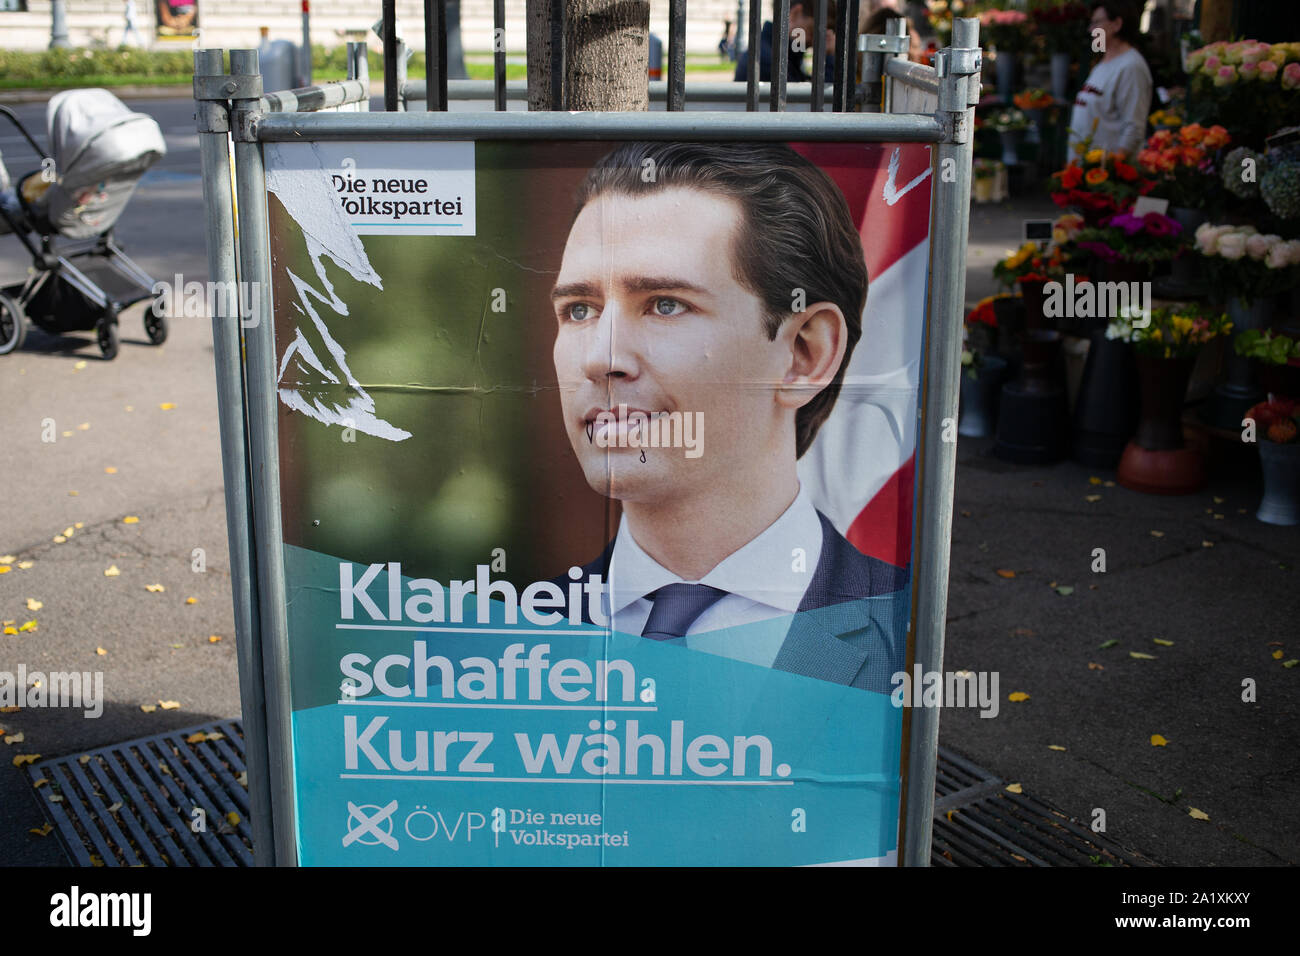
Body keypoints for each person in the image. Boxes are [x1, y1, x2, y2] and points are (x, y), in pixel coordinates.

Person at [548, 142, 909, 691]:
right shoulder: (506, 633)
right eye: (580, 309)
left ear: (804, 353)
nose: (601, 357)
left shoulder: (906, 637)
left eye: (665, 304)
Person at [1069, 0, 1153, 158]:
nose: (1091, 29)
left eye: (1096, 23)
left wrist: (1113, 168)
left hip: (1105, 174)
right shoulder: (1102, 64)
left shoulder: (1131, 66)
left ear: (1116, 24)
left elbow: (1133, 128)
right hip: (1086, 171)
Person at [734, 1, 838, 84]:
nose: (813, 42)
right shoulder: (768, 60)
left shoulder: (775, 52)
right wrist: (830, 56)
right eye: (813, 31)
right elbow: (810, 104)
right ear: (795, 13)